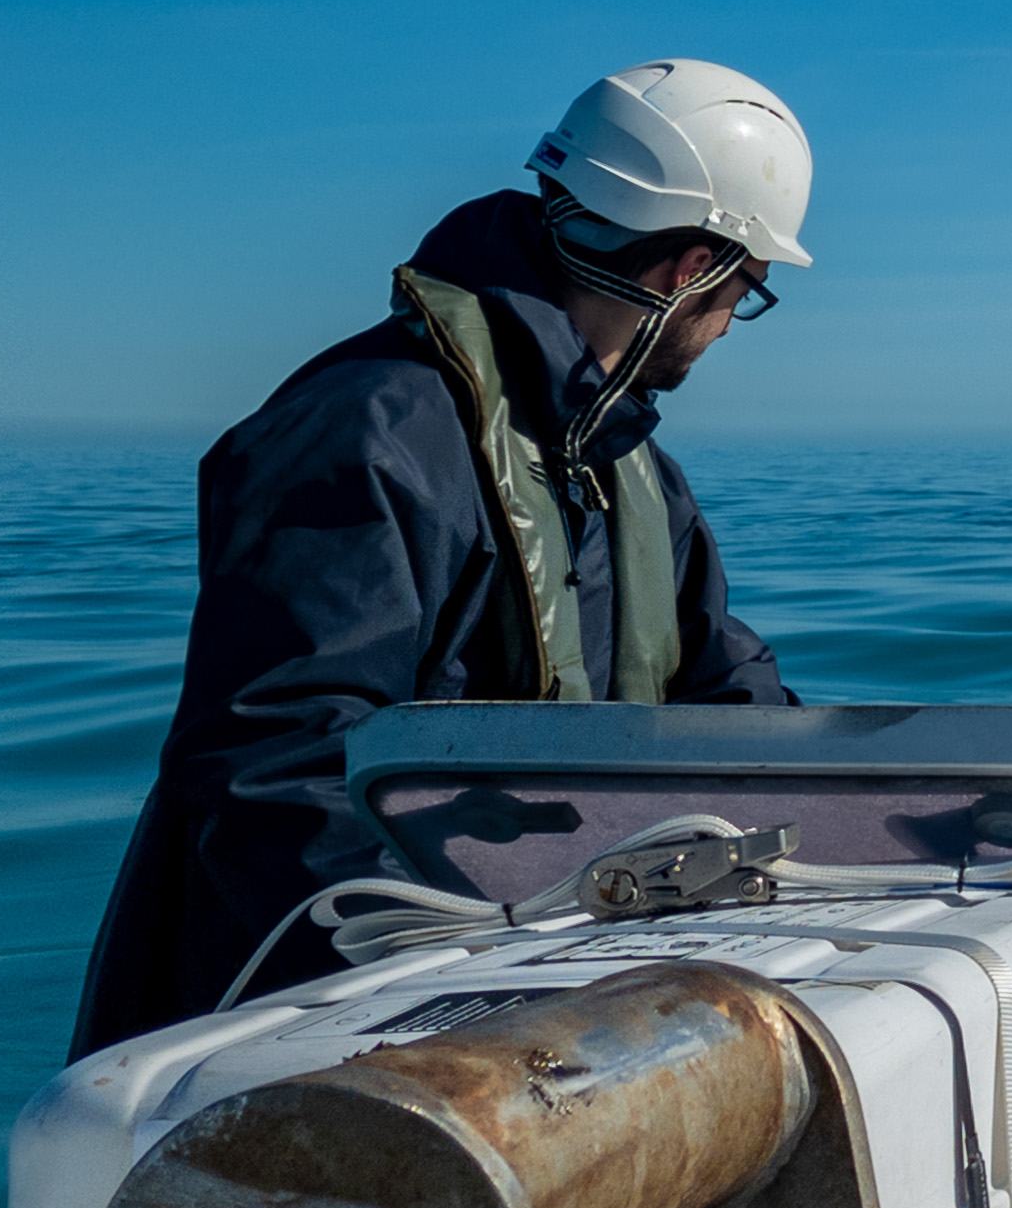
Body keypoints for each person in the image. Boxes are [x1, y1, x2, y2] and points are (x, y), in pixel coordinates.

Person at [71, 62, 816, 1054]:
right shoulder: (356, 432)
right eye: (747, 294)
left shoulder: (641, 480)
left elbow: (737, 711)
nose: (730, 328)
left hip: (530, 992)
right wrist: (455, 993)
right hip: (297, 1031)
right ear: (692, 269)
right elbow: (275, 769)